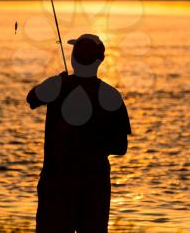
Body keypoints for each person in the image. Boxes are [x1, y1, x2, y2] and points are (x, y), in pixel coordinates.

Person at [26, 33, 131, 233]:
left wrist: (55, 82)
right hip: (95, 184)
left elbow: (31, 98)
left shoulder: (57, 85)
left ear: (73, 58)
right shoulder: (111, 95)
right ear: (101, 60)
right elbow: (120, 147)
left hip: (56, 182)